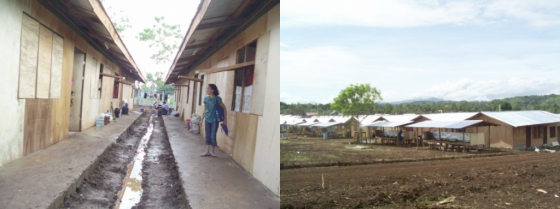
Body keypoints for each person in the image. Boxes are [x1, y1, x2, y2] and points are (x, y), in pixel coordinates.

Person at [199, 84, 227, 157]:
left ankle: (212, 152)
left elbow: (224, 108)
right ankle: (207, 151)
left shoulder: (218, 99)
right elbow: (205, 109)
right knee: (207, 135)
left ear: (212, 90)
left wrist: (225, 119)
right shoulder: (205, 99)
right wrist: (202, 119)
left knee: (212, 136)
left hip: (214, 119)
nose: (207, 90)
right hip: (207, 118)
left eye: (208, 88)